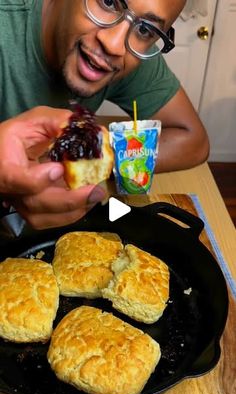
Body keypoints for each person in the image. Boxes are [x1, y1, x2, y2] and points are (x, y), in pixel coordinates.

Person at [0, 0, 209, 229]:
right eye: (108, 2)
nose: (114, 45)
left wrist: (91, 154)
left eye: (145, 29)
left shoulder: (131, 51)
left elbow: (193, 139)